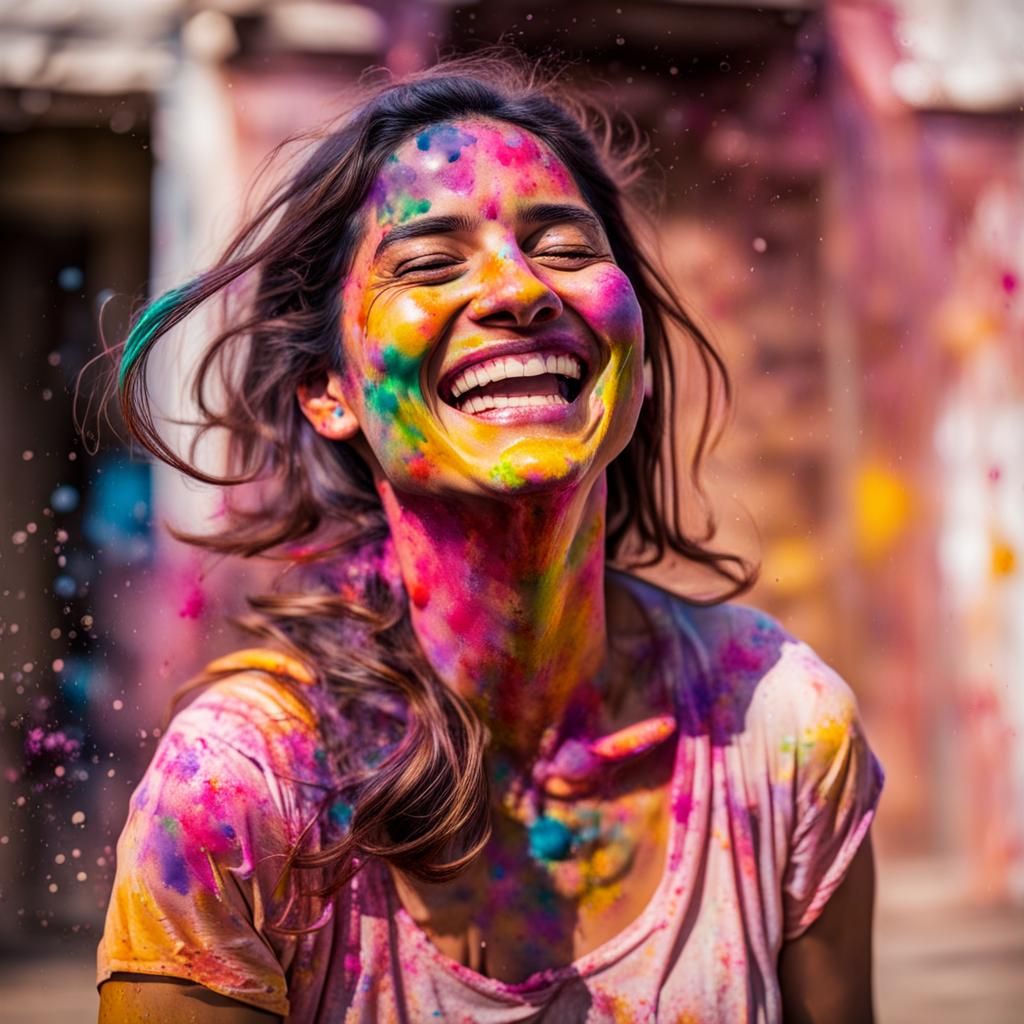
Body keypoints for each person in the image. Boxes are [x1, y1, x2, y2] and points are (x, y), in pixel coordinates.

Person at [96, 57, 883, 1023]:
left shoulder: (781, 729)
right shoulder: (239, 790)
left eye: (566, 247)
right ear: (329, 391)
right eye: (429, 263)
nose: (520, 290)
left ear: (634, 361)